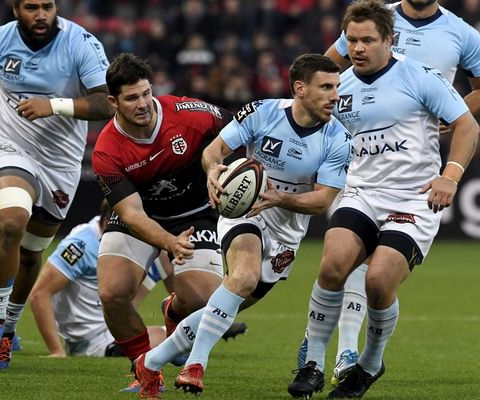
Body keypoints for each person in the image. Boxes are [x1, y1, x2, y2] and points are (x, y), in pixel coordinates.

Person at [288, 1, 479, 398]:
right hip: (361, 192)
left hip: (413, 199)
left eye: (367, 40)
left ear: (389, 40)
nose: (357, 48)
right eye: (352, 40)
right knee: (333, 266)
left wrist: (451, 175)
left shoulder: (421, 76)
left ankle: (369, 364)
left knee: (378, 281)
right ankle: (312, 363)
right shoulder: (339, 89)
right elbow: (310, 128)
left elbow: (467, 125)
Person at [134, 53, 353, 398]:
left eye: (337, 87)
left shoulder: (337, 138)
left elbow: (323, 199)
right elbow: (215, 150)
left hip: (287, 232)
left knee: (226, 304)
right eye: (326, 87)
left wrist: (281, 198)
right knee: (243, 276)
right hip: (244, 212)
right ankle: (196, 365)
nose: (335, 95)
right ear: (300, 89)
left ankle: (151, 362)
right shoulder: (262, 112)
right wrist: (213, 171)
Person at [0, 0, 113, 370]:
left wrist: (55, 105)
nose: (41, 15)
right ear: (15, 8)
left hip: (61, 163)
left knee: (33, 252)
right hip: (10, 147)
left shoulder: (80, 42)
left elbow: (106, 103)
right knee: (12, 222)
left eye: (47, 6)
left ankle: (7, 328)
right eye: (31, 7)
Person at [91, 53, 233, 378]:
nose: (142, 104)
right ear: (113, 101)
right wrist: (169, 243)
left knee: (203, 303)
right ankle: (146, 370)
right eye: (131, 98)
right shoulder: (107, 150)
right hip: (142, 216)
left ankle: (174, 310)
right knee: (112, 294)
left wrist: (223, 168)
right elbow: (131, 213)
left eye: (146, 93)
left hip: (195, 213)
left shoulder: (189, 114)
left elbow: (237, 129)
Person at [28, 200, 169, 359]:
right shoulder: (80, 246)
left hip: (107, 316)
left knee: (166, 256)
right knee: (168, 337)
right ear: (108, 222)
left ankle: (176, 314)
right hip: (93, 340)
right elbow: (39, 294)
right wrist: (56, 351)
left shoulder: (106, 229)